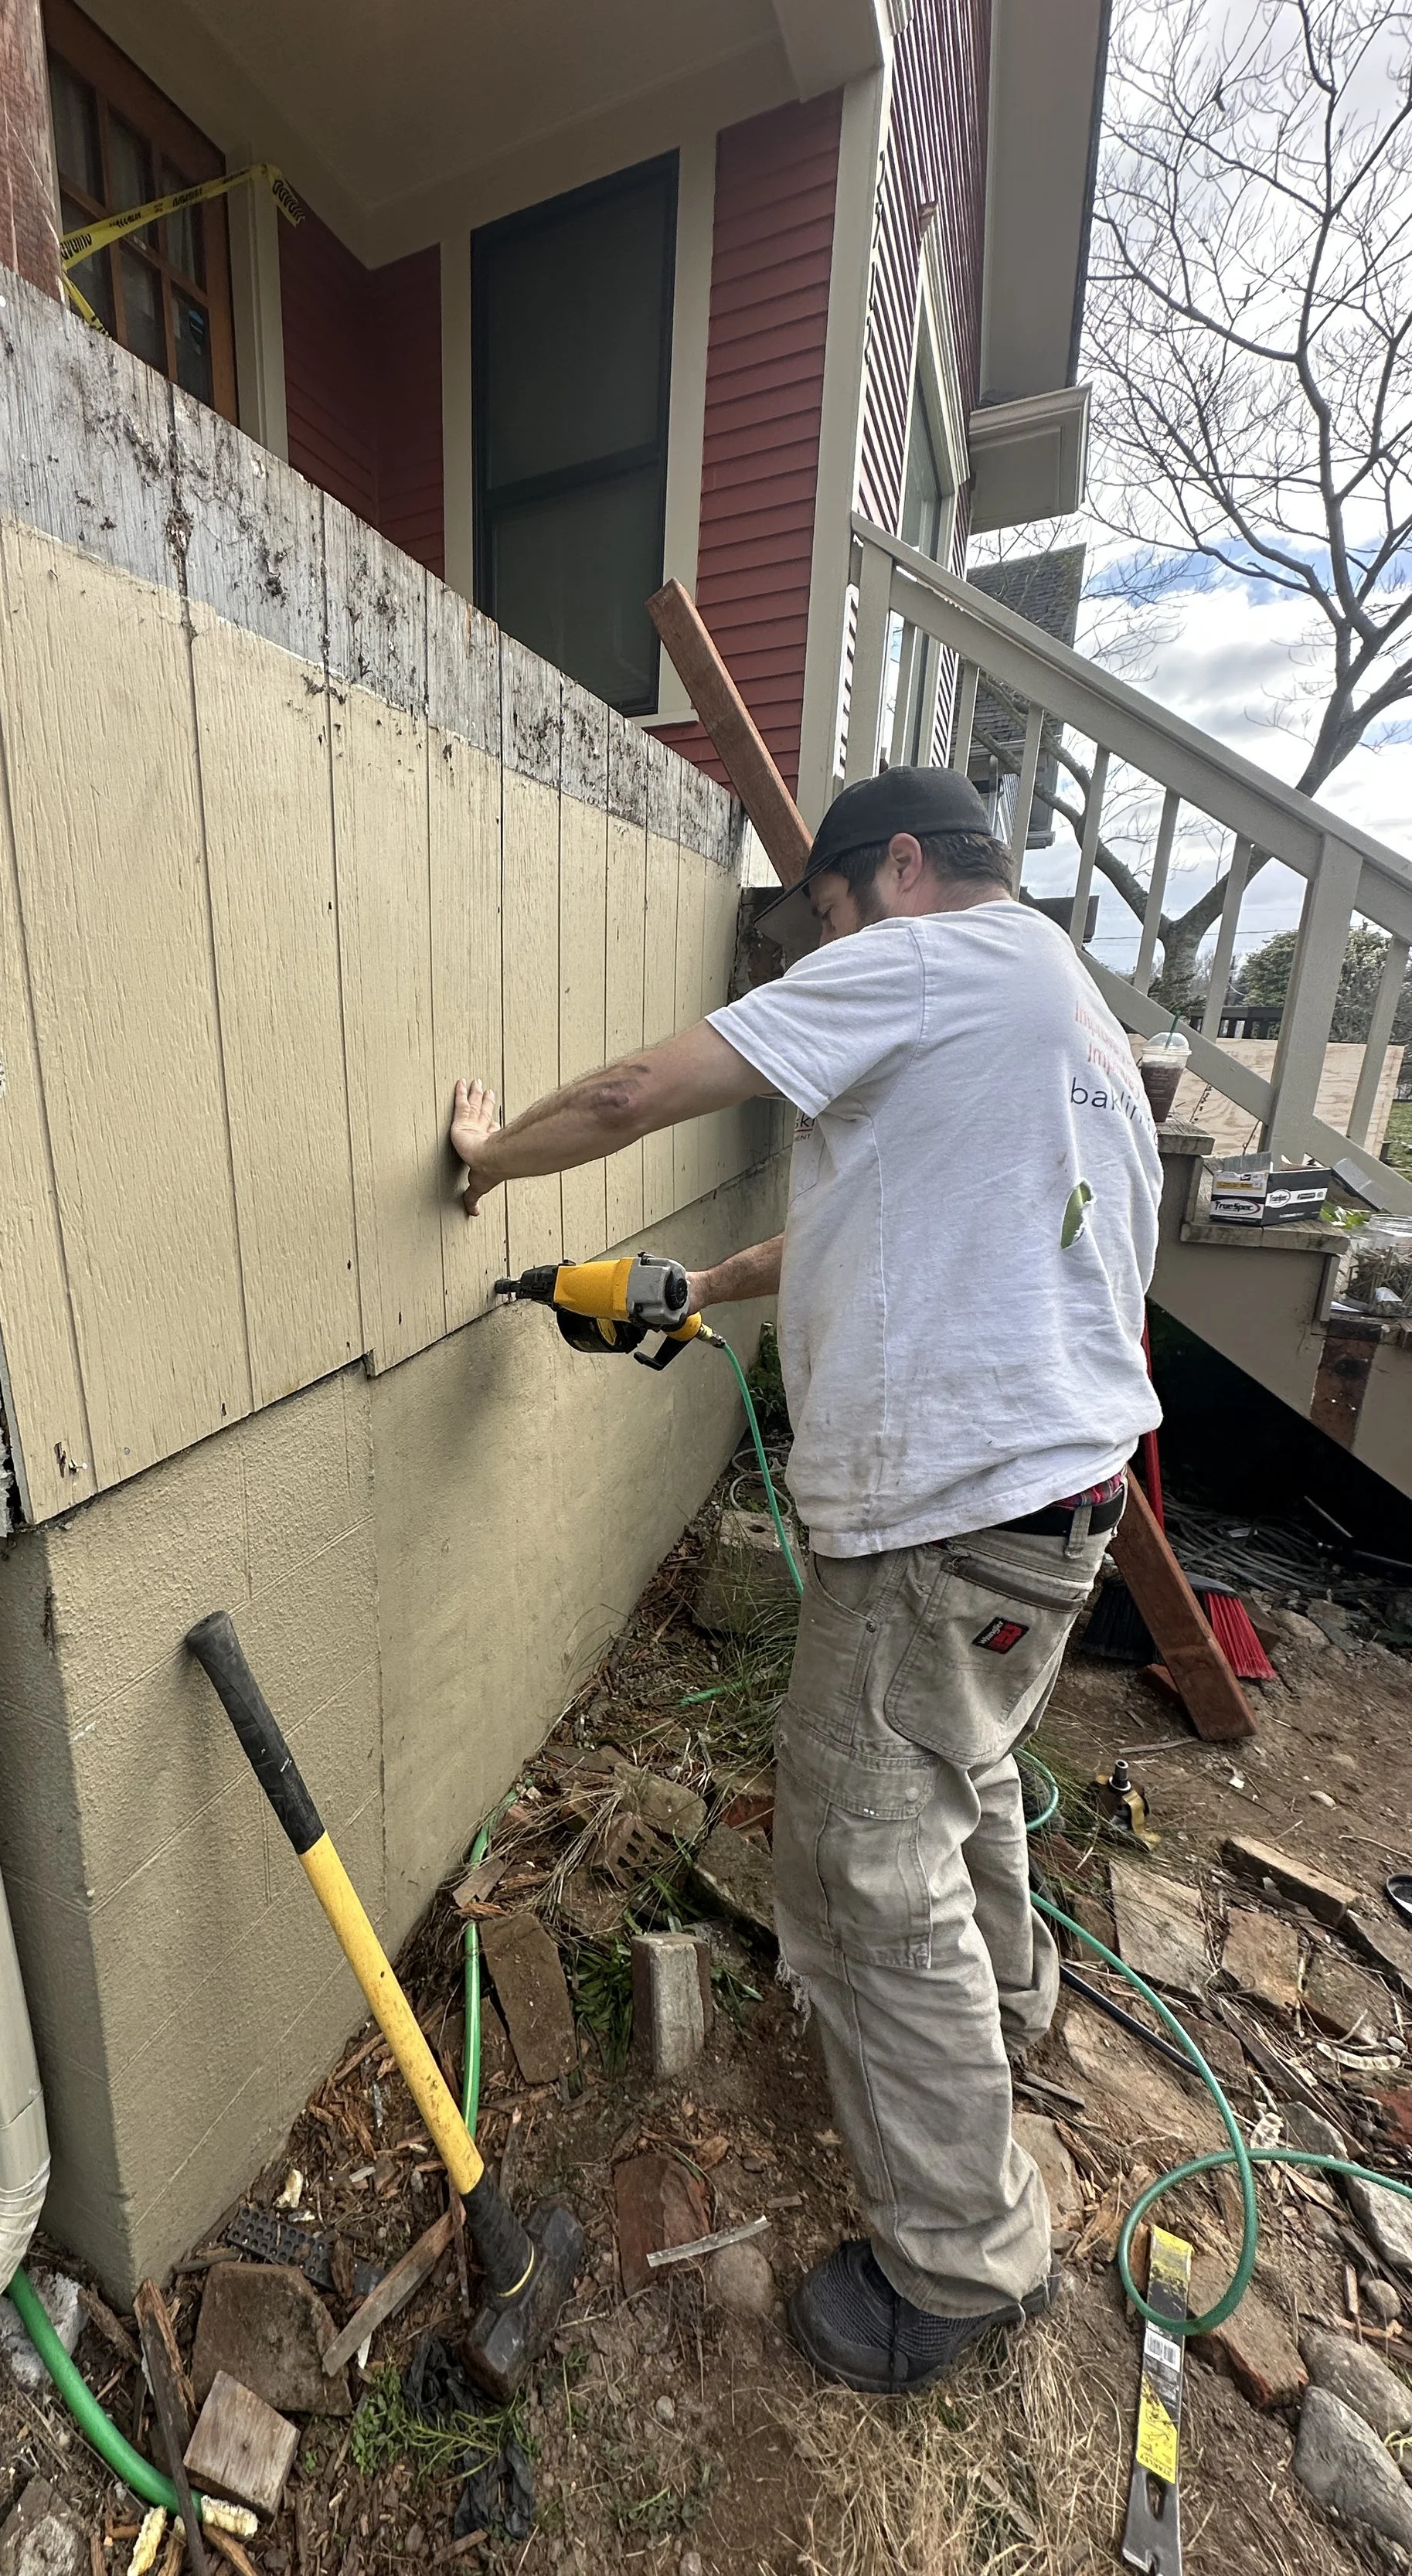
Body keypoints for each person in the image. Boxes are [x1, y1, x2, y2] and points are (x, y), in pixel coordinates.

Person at [448, 766, 1162, 2394]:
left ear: (895, 869)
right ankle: (1016, 2004)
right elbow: (870, 1219)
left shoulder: (924, 958)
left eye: (823, 920)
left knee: (853, 1864)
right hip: (1047, 1515)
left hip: (939, 1526)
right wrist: (694, 1278)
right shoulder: (1058, 1004)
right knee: (954, 1770)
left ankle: (961, 2261)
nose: (817, 956)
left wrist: (487, 1162)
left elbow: (632, 1091)